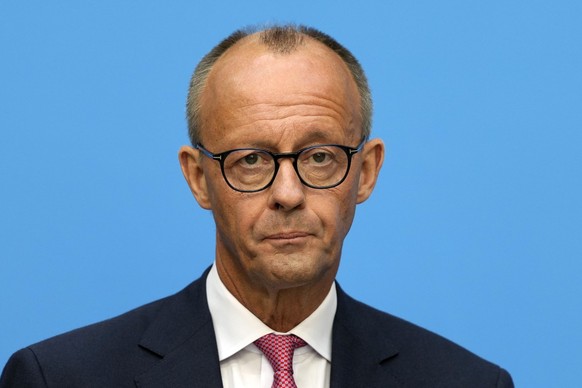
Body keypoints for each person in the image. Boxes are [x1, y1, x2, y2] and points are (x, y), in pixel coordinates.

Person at [0, 25, 513, 387]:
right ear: (198, 178)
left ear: (366, 171)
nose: (288, 193)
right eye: (250, 160)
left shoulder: (465, 381)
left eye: (319, 157)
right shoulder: (59, 377)